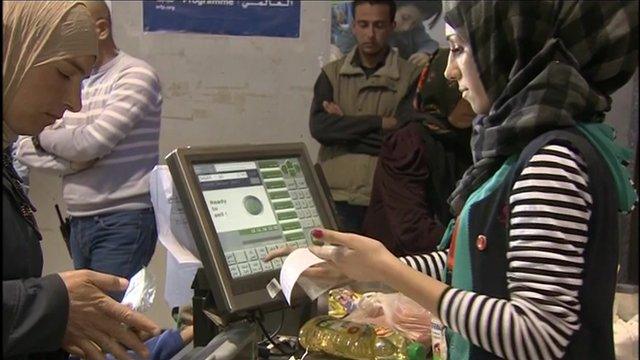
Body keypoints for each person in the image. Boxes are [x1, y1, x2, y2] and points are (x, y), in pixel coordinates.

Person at [274, 1, 638, 359]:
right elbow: (466, 267)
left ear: (511, 48)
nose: (449, 72)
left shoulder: (551, 161)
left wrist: (387, 269)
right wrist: (358, 267)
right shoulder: (523, 148)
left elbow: (538, 333)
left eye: (459, 49)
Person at [3, 2, 161, 359]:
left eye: (82, 80)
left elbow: (89, 144)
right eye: (63, 73)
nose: (74, 104)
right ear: (14, 51)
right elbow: (82, 147)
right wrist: (52, 308)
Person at [311, 0, 422, 234]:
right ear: (353, 26)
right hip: (334, 196)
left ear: (392, 26)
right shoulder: (331, 74)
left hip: (385, 198)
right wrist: (379, 122)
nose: (370, 34)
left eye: (379, 25)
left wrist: (343, 130)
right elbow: (320, 128)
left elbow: (405, 142)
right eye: (363, 24)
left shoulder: (411, 76)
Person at [362, 47, 476, 256]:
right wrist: (472, 249)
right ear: (444, 90)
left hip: (441, 260)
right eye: (459, 93)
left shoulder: (471, 137)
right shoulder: (407, 143)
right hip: (397, 265)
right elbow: (411, 230)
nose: (468, 104)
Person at [332, 0, 440, 67]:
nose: (407, 27)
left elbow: (430, 44)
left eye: (414, 23)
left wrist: (425, 54)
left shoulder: (413, 29)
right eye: (405, 18)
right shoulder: (348, 13)